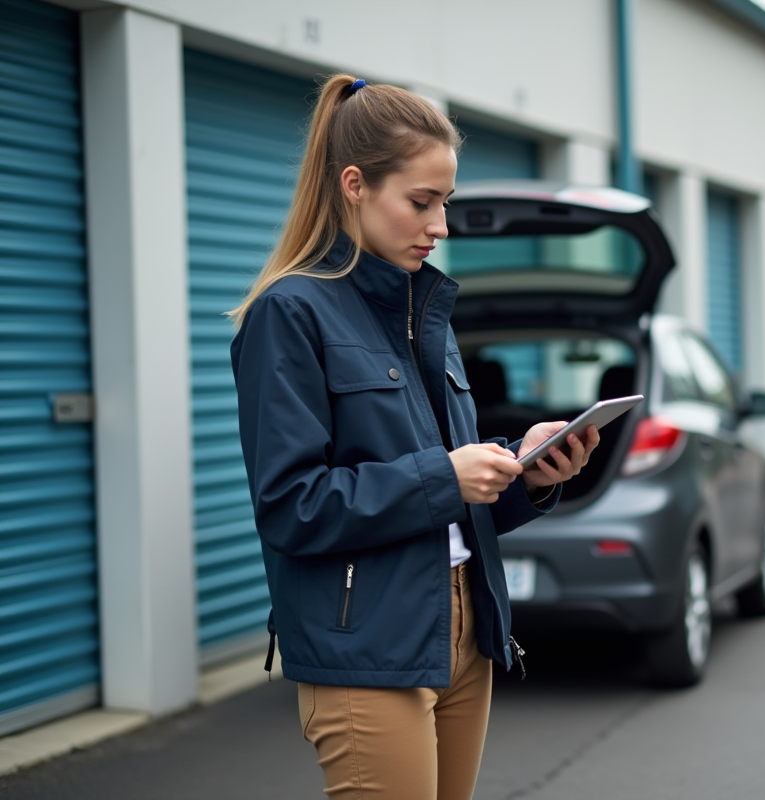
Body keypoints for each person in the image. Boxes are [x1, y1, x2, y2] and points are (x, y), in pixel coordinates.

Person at [229, 74, 600, 800]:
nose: (440, 226)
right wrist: (445, 476)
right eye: (421, 202)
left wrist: (529, 474)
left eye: (445, 203)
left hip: (464, 631)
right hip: (367, 647)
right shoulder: (289, 314)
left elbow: (454, 495)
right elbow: (292, 504)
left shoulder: (421, 309)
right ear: (355, 184)